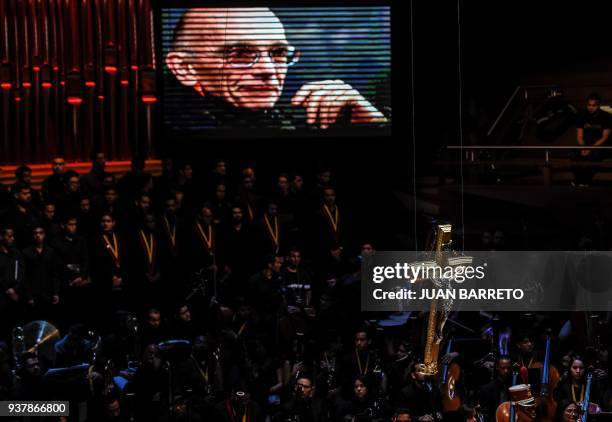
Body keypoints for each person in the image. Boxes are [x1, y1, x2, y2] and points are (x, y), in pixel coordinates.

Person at [165, 8, 388, 130]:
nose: (268, 70)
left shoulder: (306, 119)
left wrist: (377, 127)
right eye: (241, 54)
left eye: (279, 53)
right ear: (184, 68)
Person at [573, 92, 611, 186]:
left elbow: (604, 138)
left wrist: (591, 148)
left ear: (599, 105)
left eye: (594, 105)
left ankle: (585, 182)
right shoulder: (582, 115)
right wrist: (583, 147)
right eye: (589, 105)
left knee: (594, 156)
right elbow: (580, 136)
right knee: (575, 155)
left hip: (600, 145)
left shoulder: (606, 116)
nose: (591, 107)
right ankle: (579, 181)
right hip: (585, 145)